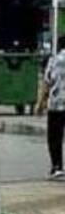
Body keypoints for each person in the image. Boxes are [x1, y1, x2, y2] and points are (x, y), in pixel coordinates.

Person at [43, 36, 65, 180]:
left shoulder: (54, 60)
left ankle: (57, 167)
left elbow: (47, 83)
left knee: (55, 137)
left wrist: (40, 104)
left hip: (56, 105)